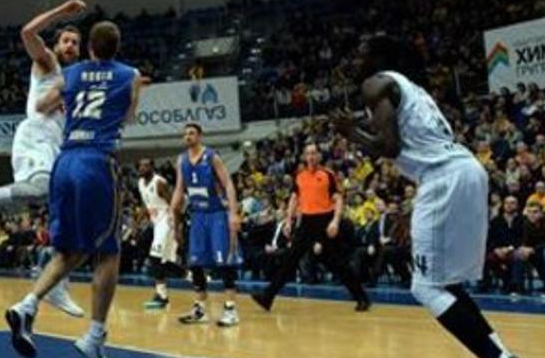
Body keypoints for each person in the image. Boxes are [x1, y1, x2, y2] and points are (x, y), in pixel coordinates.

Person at [334, 34, 544, 358]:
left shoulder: (376, 83)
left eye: (362, 51)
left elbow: (390, 147)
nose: (354, 57)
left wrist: (350, 133)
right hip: (463, 172)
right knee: (444, 286)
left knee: (426, 287)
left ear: (381, 57)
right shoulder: (410, 88)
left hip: (444, 179)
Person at [4, 21, 142, 358]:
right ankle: (95, 336)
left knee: (71, 249)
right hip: (97, 161)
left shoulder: (74, 73)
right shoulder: (131, 75)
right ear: (116, 46)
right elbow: (128, 117)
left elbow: (43, 105)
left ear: (90, 48)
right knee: (109, 253)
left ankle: (28, 305)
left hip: (64, 162)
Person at [0, 0, 87, 318]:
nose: (70, 46)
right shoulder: (48, 63)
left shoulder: (73, 83)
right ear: (57, 44)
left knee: (68, 212)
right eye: (66, 40)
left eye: (75, 43)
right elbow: (27, 31)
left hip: (54, 147)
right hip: (34, 137)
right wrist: (61, 12)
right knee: (39, 190)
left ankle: (56, 283)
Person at [252, 142, 371, 312]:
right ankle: (267, 297)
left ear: (319, 156)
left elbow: (338, 199)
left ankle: (362, 298)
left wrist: (335, 221)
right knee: (290, 260)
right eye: (308, 153)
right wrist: (288, 221)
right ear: (304, 157)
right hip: (306, 222)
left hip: (325, 220)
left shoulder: (328, 175)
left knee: (337, 263)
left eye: (314, 153)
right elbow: (294, 198)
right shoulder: (299, 176)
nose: (311, 156)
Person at [170, 123, 243, 327]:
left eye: (191, 133)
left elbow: (228, 184)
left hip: (217, 214)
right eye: (185, 134)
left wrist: (233, 214)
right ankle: (200, 309)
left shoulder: (211, 157)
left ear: (200, 136)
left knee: (225, 262)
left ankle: (230, 309)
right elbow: (179, 189)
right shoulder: (182, 160)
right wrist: (172, 211)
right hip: (198, 216)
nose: (188, 136)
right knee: (195, 263)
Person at [137, 158, 178, 309]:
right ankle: (190, 275)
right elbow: (145, 204)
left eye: (146, 165)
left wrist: (178, 227)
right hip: (156, 223)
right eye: (140, 165)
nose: (142, 168)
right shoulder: (141, 183)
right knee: (164, 260)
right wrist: (136, 224)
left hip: (167, 222)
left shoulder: (160, 182)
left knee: (155, 257)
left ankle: (162, 295)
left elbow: (174, 204)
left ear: (152, 168)